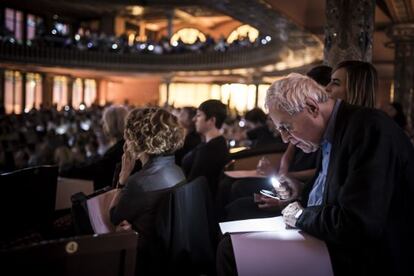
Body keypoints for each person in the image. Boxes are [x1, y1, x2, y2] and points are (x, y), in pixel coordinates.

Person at [217, 73, 414, 276]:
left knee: (231, 250)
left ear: (311, 107)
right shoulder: (332, 132)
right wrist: (300, 192)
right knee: (234, 226)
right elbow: (336, 193)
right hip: (337, 240)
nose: (285, 139)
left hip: (368, 257)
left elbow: (358, 225)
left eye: (286, 127)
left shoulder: (368, 129)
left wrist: (301, 216)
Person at [109, 107, 186, 275]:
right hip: (167, 255)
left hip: (144, 259)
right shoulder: (177, 170)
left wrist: (123, 179)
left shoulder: (139, 182)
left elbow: (114, 216)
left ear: (137, 139)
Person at [60, 105, 133, 190]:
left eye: (105, 122)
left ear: (112, 124)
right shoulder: (128, 145)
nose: (103, 126)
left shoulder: (118, 150)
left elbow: (95, 170)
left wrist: (65, 171)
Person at [181, 99, 229, 196]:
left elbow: (192, 184)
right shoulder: (216, 143)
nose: (194, 119)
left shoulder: (210, 150)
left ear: (212, 120)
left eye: (199, 115)